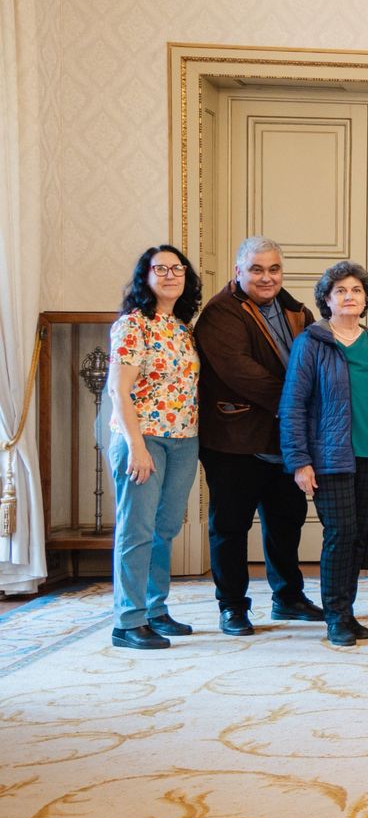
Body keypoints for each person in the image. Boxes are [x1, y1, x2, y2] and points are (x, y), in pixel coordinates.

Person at [193, 236, 321, 636]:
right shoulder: (219, 313)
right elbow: (240, 371)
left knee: (287, 522)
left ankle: (288, 597)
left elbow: (318, 358)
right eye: (257, 269)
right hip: (235, 440)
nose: (267, 277)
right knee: (229, 527)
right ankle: (232, 606)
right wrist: (298, 399)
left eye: (274, 269)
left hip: (284, 441)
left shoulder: (296, 310)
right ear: (239, 272)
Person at [280, 262, 368, 646]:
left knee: (356, 536)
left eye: (357, 291)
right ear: (327, 300)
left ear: (366, 299)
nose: (350, 296)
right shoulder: (311, 342)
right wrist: (298, 460)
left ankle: (346, 610)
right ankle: (335, 615)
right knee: (340, 533)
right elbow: (293, 404)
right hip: (330, 456)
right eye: (341, 291)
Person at [106, 245, 203, 650]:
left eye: (176, 268)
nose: (169, 275)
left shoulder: (182, 327)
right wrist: (136, 446)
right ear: (145, 276)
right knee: (137, 530)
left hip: (183, 440)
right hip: (142, 438)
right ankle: (127, 621)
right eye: (159, 268)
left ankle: (155, 609)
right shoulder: (134, 325)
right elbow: (118, 389)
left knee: (164, 529)